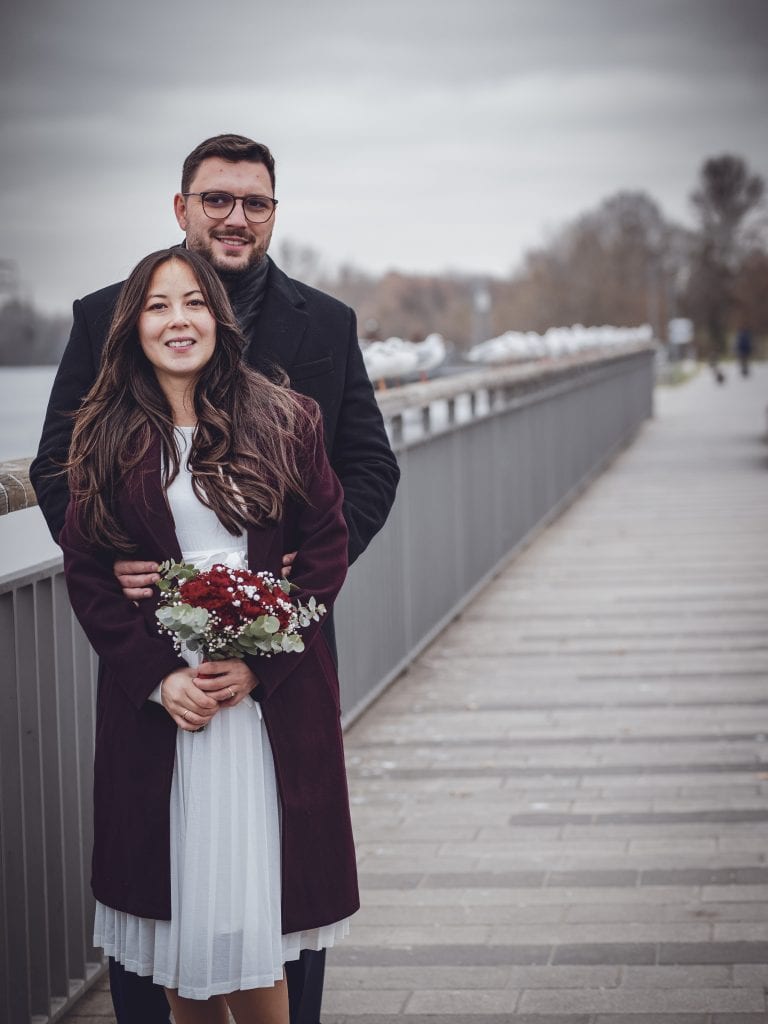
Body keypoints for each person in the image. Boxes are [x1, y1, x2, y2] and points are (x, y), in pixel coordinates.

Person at [31, 133, 400, 1024]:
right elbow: (58, 469)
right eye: (217, 199)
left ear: (274, 213)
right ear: (183, 208)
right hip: (153, 660)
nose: (236, 217)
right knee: (161, 899)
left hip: (280, 646)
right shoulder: (100, 319)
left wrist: (285, 593)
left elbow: (364, 475)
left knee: (277, 899)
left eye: (256, 202)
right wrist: (131, 568)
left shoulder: (326, 326)